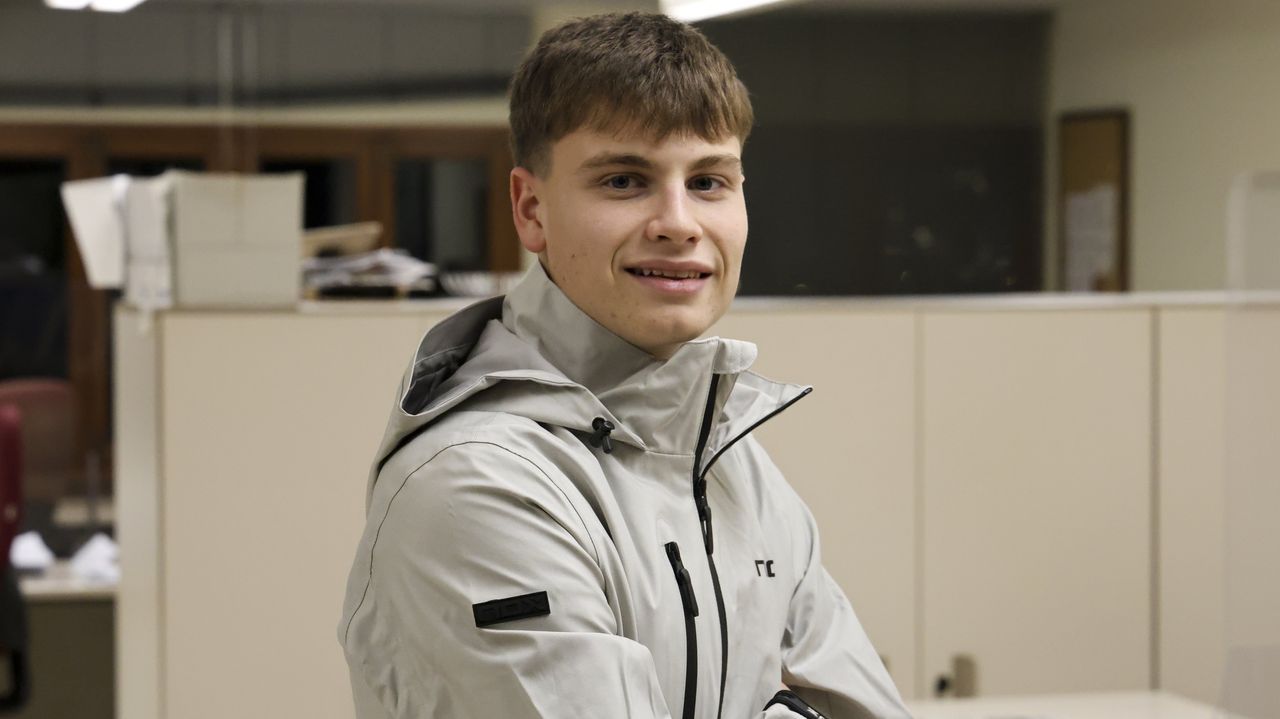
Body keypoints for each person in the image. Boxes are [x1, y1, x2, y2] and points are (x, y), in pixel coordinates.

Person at [338, 12, 909, 719]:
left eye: (708, 182)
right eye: (623, 181)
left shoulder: (733, 462)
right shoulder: (476, 484)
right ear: (531, 209)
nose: (679, 222)